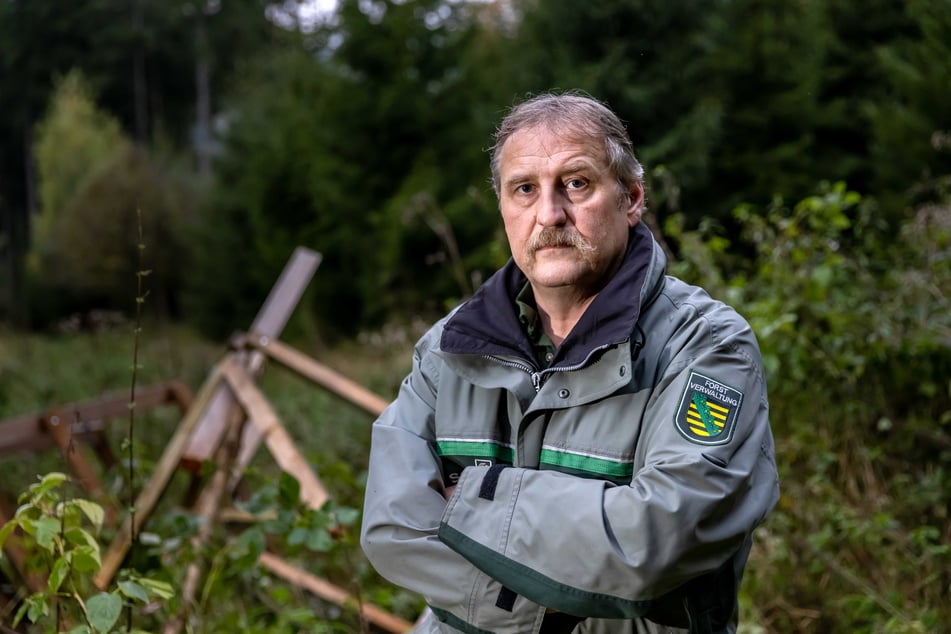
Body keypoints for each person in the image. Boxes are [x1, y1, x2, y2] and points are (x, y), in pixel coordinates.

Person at [360, 91, 780, 634]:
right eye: (525, 189)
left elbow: (657, 541)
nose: (550, 213)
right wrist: (552, 604)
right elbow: (393, 526)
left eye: (576, 183)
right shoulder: (449, 348)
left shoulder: (706, 347)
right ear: (504, 209)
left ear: (631, 199)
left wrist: (470, 499)